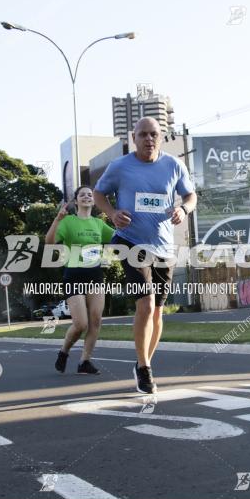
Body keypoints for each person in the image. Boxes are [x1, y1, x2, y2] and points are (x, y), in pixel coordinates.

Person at [93, 117, 197, 394]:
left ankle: (145, 362)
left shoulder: (174, 165)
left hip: (163, 246)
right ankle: (143, 367)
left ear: (161, 137)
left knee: (159, 312)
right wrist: (112, 214)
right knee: (147, 304)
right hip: (130, 242)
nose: (149, 139)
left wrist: (183, 210)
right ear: (134, 138)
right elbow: (98, 193)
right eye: (143, 135)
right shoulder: (120, 166)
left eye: (154, 134)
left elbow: (191, 196)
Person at [45, 185, 114, 375]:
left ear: (94, 200)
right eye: (82, 195)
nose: (86, 197)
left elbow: (119, 237)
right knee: (81, 324)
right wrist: (57, 220)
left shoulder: (99, 224)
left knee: (96, 320)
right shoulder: (67, 222)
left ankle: (85, 362)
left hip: (95, 276)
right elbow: (49, 242)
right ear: (76, 201)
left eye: (90, 195)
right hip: (73, 276)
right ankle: (64, 351)